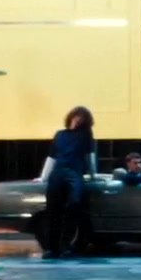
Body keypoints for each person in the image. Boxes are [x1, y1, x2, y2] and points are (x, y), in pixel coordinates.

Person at [38, 106, 97, 259]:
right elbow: (52, 156)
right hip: (59, 173)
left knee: (73, 207)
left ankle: (65, 247)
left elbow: (89, 157)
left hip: (74, 172)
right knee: (53, 210)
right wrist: (43, 177)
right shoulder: (60, 134)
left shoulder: (86, 135)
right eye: (77, 116)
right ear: (71, 117)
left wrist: (93, 175)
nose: (78, 119)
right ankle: (51, 249)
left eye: (82, 118)